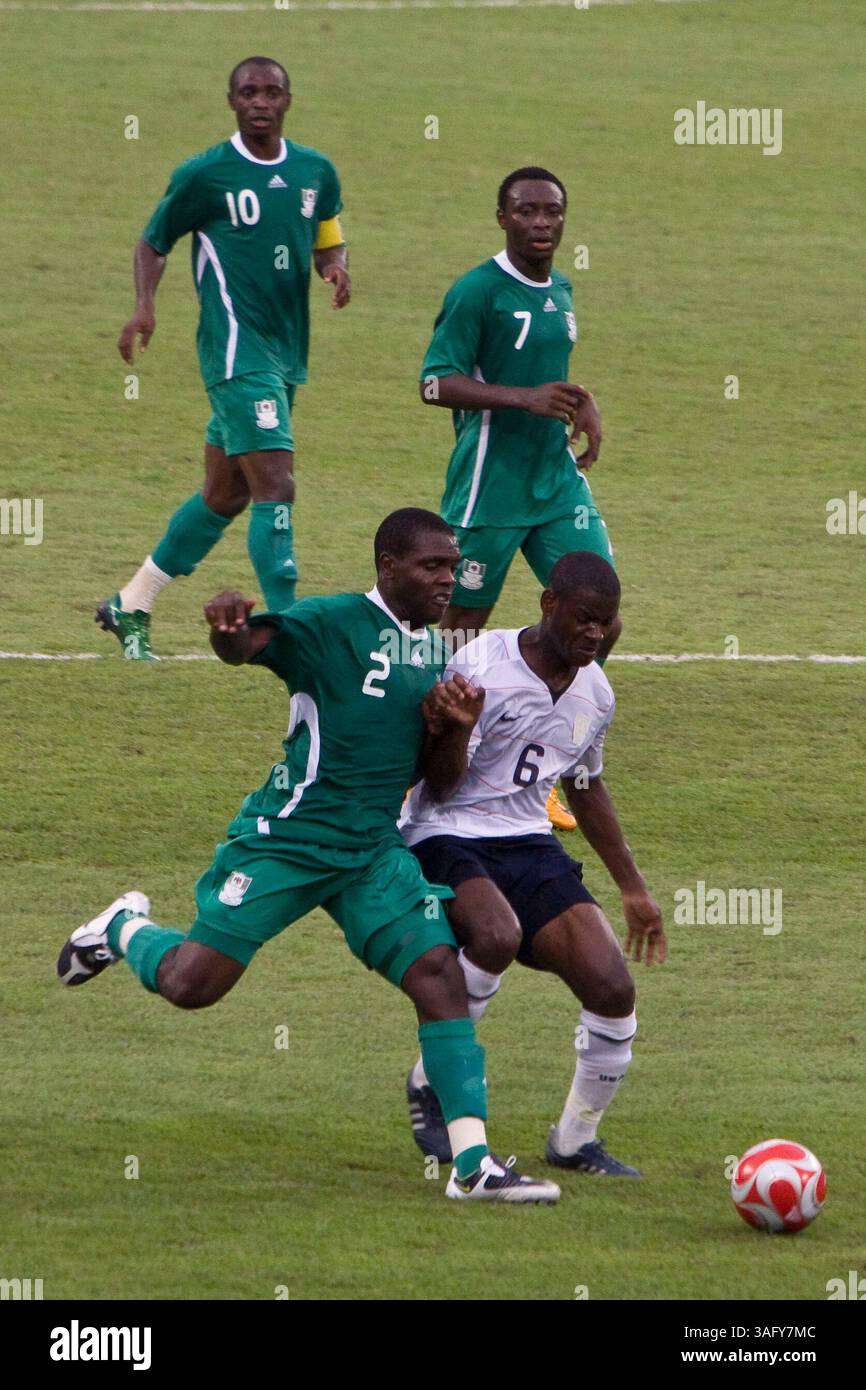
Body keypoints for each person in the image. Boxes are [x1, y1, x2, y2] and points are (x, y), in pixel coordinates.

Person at [61, 509, 559, 1204]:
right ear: (389, 566)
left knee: (440, 976)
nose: (449, 579)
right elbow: (249, 646)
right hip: (288, 842)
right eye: (432, 567)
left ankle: (472, 1165)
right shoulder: (332, 624)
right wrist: (227, 628)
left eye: (452, 566)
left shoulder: (435, 653)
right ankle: (122, 927)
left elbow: (438, 783)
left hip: (369, 853)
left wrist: (456, 728)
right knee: (193, 986)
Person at [399, 550, 666, 1176]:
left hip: (527, 840)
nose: (594, 634)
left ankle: (575, 1141)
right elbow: (436, 784)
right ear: (549, 605)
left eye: (605, 623)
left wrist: (633, 887)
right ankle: (430, 1082)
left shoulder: (595, 694)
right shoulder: (482, 664)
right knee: (496, 933)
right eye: (583, 619)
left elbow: (584, 785)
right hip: (445, 830)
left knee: (613, 987)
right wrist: (459, 729)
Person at [99, 56, 350, 661]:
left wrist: (335, 267)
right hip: (235, 352)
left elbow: (326, 231)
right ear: (231, 101)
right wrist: (143, 307)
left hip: (286, 352)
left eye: (270, 91)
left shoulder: (316, 170)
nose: (259, 101)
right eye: (247, 92)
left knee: (224, 495)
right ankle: (292, 632)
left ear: (288, 99)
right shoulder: (205, 175)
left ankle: (130, 603)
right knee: (276, 487)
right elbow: (153, 241)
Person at [419, 166, 617, 830]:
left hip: (555, 483)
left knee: (603, 615)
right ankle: (431, 757)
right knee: (457, 636)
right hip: (489, 489)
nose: (540, 223)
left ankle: (552, 753)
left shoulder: (560, 287)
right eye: (526, 211)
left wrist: (578, 401)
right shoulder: (477, 292)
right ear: (503, 218)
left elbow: (545, 372)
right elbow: (432, 383)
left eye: (551, 212)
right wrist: (522, 400)